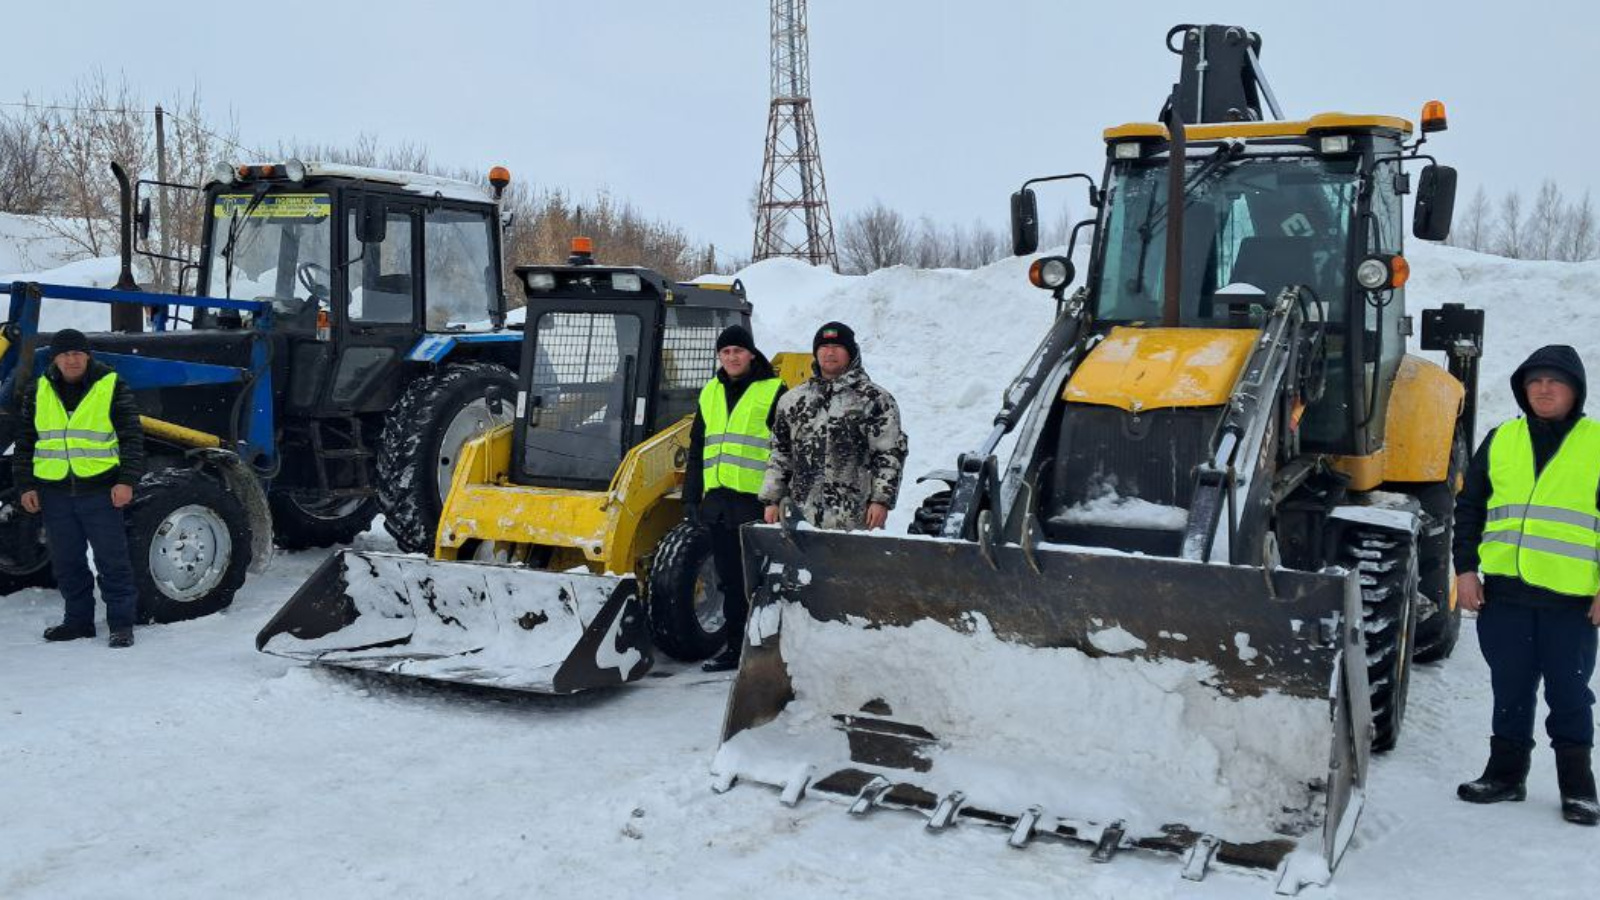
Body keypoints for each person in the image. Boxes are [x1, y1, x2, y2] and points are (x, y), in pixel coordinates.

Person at [1453, 345, 1600, 825]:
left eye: (1555, 381)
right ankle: (1505, 776)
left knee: (1569, 693)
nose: (1543, 389)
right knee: (1510, 688)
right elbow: (1470, 508)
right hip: (1505, 596)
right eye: (1535, 380)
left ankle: (1578, 788)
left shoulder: (1596, 443)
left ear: (1575, 390)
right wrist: (1465, 570)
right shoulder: (1502, 439)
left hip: (1570, 601)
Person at [13, 329, 145, 648]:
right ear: (55, 359)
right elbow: (26, 442)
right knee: (67, 563)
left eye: (77, 353)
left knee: (112, 562)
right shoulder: (38, 389)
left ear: (87, 356)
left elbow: (131, 438)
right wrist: (26, 485)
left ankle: (121, 625)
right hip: (55, 494)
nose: (71, 360)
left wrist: (126, 481)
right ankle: (78, 622)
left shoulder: (111, 385)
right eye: (65, 354)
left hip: (101, 491)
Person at [684, 325, 786, 673]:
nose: (732, 357)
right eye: (725, 352)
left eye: (738, 351)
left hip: (756, 504)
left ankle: (766, 650)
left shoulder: (773, 390)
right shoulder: (710, 392)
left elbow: (786, 451)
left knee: (761, 582)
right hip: (718, 504)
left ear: (751, 354)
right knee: (729, 580)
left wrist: (777, 499)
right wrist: (691, 497)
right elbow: (697, 448)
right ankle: (734, 649)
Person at [760, 321, 907, 532]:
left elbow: (889, 453)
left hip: (855, 519)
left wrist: (881, 501)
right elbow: (780, 453)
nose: (830, 353)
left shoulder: (874, 400)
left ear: (851, 353)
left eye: (837, 347)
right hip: (801, 519)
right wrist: (772, 500)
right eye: (824, 347)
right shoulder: (792, 400)